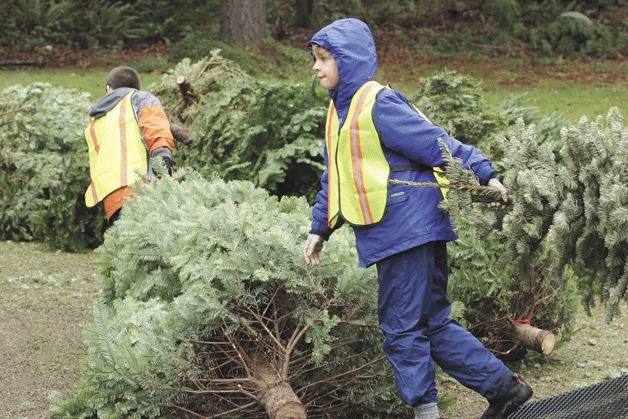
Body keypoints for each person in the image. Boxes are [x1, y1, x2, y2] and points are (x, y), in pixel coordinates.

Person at [302, 18, 533, 419]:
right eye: (315, 59)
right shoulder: (339, 112)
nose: (316, 67)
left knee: (402, 329)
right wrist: (320, 228)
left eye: (324, 59)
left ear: (350, 60)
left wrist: (483, 172)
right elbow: (335, 176)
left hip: (404, 231)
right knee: (432, 323)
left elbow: (434, 141)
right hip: (404, 230)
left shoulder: (378, 104)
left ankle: (426, 414)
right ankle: (504, 389)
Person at [84, 66, 174, 227]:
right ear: (136, 88)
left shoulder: (95, 121)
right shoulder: (139, 98)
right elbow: (156, 128)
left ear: (108, 89)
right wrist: (163, 161)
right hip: (143, 188)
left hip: (113, 199)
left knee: (127, 248)